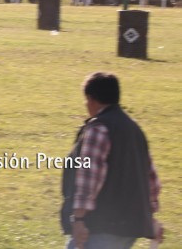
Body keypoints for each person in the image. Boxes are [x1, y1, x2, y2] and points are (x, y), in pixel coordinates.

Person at [61, 71, 162, 249]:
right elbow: (150, 178)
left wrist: (78, 219)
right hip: (129, 227)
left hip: (101, 225)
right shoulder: (134, 129)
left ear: (91, 99)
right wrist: (150, 215)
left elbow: (89, 178)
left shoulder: (98, 128)